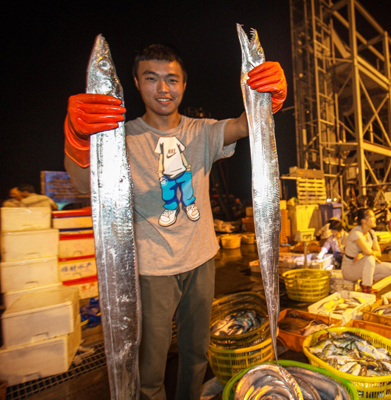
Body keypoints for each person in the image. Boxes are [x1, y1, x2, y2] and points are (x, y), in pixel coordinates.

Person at [63, 44, 287, 399]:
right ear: (136, 82)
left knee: (197, 355)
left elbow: (245, 127)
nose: (163, 89)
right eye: (152, 79)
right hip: (151, 270)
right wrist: (76, 141)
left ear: (184, 84)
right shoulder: (120, 136)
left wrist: (266, 100)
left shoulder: (202, 131)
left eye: (172, 79)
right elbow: (81, 184)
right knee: (149, 366)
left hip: (201, 261)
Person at [341, 208, 391, 294]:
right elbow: (369, 252)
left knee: (390, 269)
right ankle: (367, 289)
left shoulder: (371, 233)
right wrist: (368, 255)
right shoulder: (356, 233)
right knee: (369, 258)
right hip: (350, 269)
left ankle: (364, 283)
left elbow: (379, 253)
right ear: (364, 221)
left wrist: (363, 255)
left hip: (362, 265)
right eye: (372, 216)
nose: (375, 219)